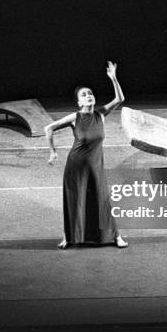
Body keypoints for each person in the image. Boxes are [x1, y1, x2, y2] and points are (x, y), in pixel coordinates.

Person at [45, 61, 128, 249]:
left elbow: (120, 99)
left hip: (96, 166)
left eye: (90, 93)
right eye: (84, 95)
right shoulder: (75, 117)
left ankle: (116, 237)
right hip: (76, 167)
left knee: (102, 200)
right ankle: (68, 237)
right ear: (79, 102)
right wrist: (52, 152)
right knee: (75, 201)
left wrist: (114, 79)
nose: (88, 96)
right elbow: (49, 128)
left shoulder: (101, 114)